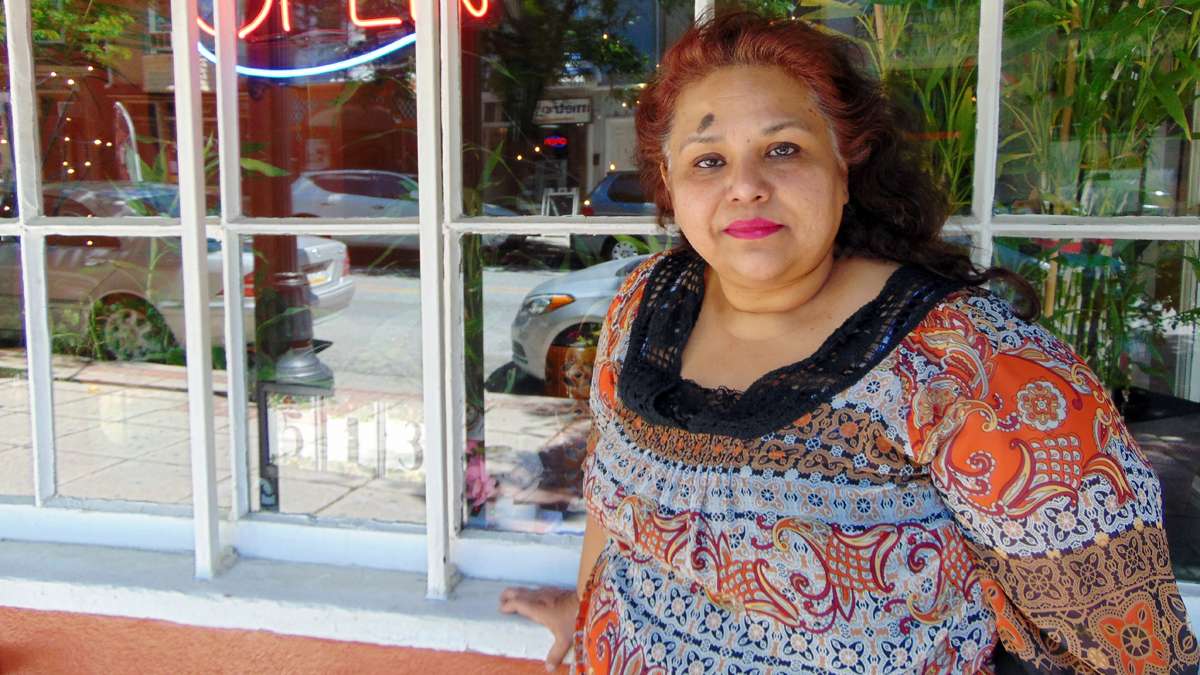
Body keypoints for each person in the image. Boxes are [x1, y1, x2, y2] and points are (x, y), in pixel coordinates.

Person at [500, 11, 1199, 674]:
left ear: (845, 170)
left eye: (783, 149)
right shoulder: (643, 303)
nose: (745, 186)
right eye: (708, 160)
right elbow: (611, 488)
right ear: (670, 186)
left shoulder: (970, 367)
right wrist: (587, 604)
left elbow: (1125, 641)